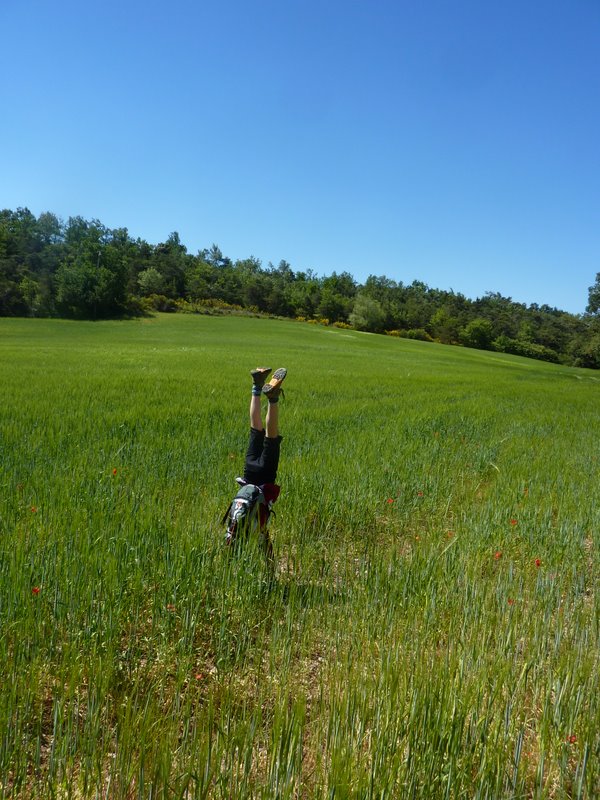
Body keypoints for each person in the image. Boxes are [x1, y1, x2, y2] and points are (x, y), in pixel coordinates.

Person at [223, 367, 287, 564]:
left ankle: (273, 398)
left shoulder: (250, 527)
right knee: (255, 429)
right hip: (248, 472)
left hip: (263, 477)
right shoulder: (231, 530)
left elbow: (267, 548)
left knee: (271, 437)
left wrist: (270, 566)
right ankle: (257, 385)